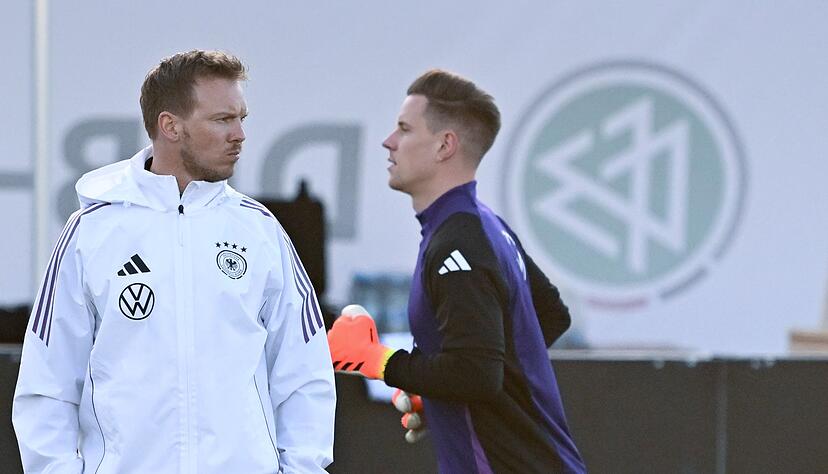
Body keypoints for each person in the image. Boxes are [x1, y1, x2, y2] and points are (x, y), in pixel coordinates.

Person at [13, 50, 335, 473]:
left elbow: (305, 375)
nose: (239, 134)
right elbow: (46, 387)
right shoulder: (90, 232)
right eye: (223, 119)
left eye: (242, 118)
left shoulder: (260, 231)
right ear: (170, 126)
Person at [328, 69, 586, 473]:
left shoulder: (460, 240)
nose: (389, 141)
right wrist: (442, 393)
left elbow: (476, 373)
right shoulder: (483, 225)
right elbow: (548, 318)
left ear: (444, 145)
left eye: (404, 129)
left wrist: (378, 361)